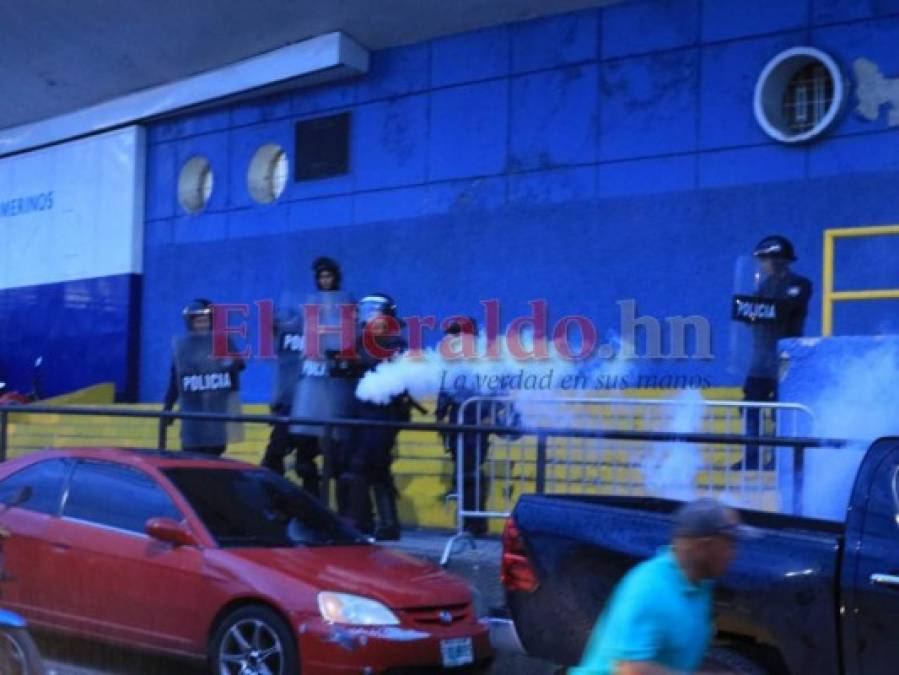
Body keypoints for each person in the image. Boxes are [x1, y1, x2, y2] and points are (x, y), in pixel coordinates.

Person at [572, 498, 750, 675]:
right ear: (703, 546)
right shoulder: (650, 589)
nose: (733, 554)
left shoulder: (700, 585)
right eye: (729, 544)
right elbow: (630, 670)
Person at [732, 235, 812, 469]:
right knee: (750, 408)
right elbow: (753, 314)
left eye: (765, 260)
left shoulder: (799, 285)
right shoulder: (763, 287)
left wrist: (759, 309)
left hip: (784, 359)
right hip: (761, 360)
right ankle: (752, 455)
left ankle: (779, 458)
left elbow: (786, 309)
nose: (761, 265)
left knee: (780, 410)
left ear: (778, 260)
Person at [436, 318, 520, 536]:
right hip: (458, 424)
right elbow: (445, 389)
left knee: (470, 473)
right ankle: (467, 521)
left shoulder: (484, 360)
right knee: (462, 472)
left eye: (456, 334)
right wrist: (441, 416)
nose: (451, 338)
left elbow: (498, 391)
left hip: (475, 425)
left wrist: (488, 416)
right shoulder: (452, 361)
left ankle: (474, 524)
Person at [343, 293, 418, 539]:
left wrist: (356, 361)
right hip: (361, 411)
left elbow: (381, 365)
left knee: (364, 464)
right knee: (376, 469)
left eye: (375, 310)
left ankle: (361, 522)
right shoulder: (359, 340)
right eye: (367, 309)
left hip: (384, 413)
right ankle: (384, 524)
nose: (370, 315)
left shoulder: (394, 342)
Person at [290, 257, 357, 504]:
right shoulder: (310, 308)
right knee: (305, 455)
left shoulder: (346, 304)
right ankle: (313, 503)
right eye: (321, 277)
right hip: (312, 385)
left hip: (336, 385)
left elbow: (351, 340)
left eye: (328, 276)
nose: (325, 281)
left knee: (338, 458)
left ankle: (340, 509)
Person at [163, 299, 245, 456]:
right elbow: (175, 381)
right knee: (191, 455)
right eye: (198, 322)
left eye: (205, 321)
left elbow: (239, 366)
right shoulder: (184, 348)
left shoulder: (222, 341)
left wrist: (227, 362)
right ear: (190, 323)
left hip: (216, 411)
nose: (202, 325)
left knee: (215, 453)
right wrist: (168, 408)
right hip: (193, 412)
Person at [260, 305, 321, 495]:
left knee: (304, 462)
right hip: (287, 406)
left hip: (310, 409)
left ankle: (314, 506)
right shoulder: (283, 346)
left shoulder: (318, 341)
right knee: (273, 458)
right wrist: (276, 401)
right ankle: (278, 501)